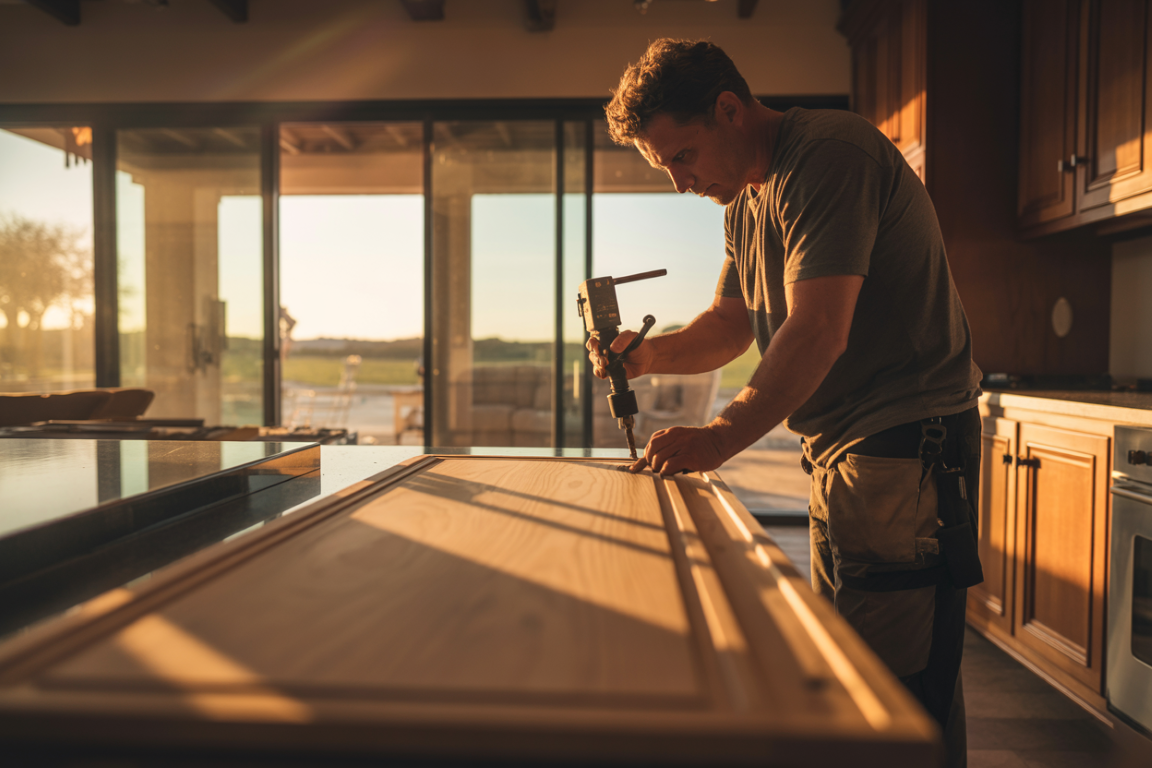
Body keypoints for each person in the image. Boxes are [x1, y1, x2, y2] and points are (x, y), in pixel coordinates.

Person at [591, 39, 983, 767]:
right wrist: (649, 356)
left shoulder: (830, 157)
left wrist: (716, 437)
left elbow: (818, 330)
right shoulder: (745, 200)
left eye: (680, 156)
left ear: (729, 110)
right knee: (858, 672)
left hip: (904, 447)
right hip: (844, 451)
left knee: (894, 694)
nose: (679, 183)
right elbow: (730, 326)